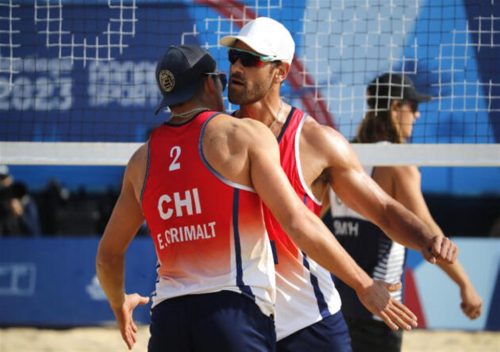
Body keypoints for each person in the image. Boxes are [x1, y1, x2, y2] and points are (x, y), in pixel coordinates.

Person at [96, 45, 417, 352]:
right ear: (211, 84)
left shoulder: (141, 161)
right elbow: (296, 221)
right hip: (232, 311)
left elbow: (108, 256)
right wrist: (363, 284)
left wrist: (117, 301)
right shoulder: (241, 135)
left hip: (167, 318)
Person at [220, 17, 458, 352]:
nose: (237, 68)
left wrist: (426, 239)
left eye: (250, 59)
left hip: (305, 318)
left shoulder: (316, 142)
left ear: (281, 72)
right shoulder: (215, 136)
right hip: (239, 317)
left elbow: (385, 211)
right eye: (233, 58)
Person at [323, 72, 483, 352]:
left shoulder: (343, 156)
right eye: (414, 106)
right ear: (396, 107)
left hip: (339, 301)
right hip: (380, 306)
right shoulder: (398, 164)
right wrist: (465, 284)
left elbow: (310, 219)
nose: (418, 116)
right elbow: (429, 232)